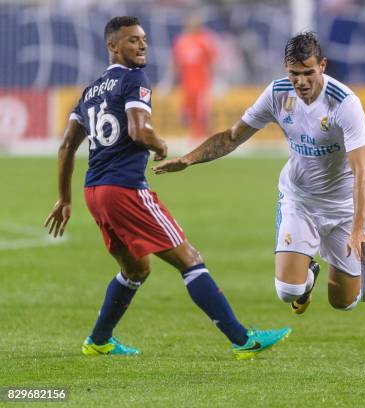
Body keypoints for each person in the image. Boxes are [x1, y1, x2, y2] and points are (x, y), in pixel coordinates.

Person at [44, 16, 289, 360]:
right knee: (190, 259)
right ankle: (242, 339)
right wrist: (158, 144)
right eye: (132, 40)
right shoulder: (134, 79)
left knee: (135, 269)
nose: (142, 45)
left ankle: (99, 341)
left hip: (94, 192)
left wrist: (64, 198)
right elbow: (137, 129)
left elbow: (67, 145)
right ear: (112, 46)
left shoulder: (90, 91)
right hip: (125, 188)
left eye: (143, 39)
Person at [153, 32, 365, 315]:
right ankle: (306, 272)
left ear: (323, 66)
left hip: (342, 206)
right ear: (284, 68)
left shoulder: (344, 103)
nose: (300, 81)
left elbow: (362, 170)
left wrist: (358, 229)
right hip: (299, 199)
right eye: (294, 73)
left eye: (308, 73)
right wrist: (189, 159)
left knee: (344, 303)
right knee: (287, 291)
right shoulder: (278, 93)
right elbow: (232, 137)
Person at [170, 14, 218, 141]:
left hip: (201, 83)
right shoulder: (181, 41)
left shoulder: (205, 40)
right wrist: (170, 80)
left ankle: (202, 135)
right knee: (189, 111)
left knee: (201, 111)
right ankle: (196, 134)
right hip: (186, 84)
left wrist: (216, 80)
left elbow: (212, 62)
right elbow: (176, 62)